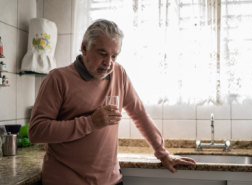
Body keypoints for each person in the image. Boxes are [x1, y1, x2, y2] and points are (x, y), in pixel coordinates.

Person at [29, 19, 196, 185]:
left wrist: (162, 153)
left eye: (114, 56)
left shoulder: (119, 73)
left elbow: (139, 114)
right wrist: (90, 123)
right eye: (102, 54)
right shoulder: (57, 79)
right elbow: (36, 132)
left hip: (110, 181)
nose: (108, 63)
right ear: (84, 48)